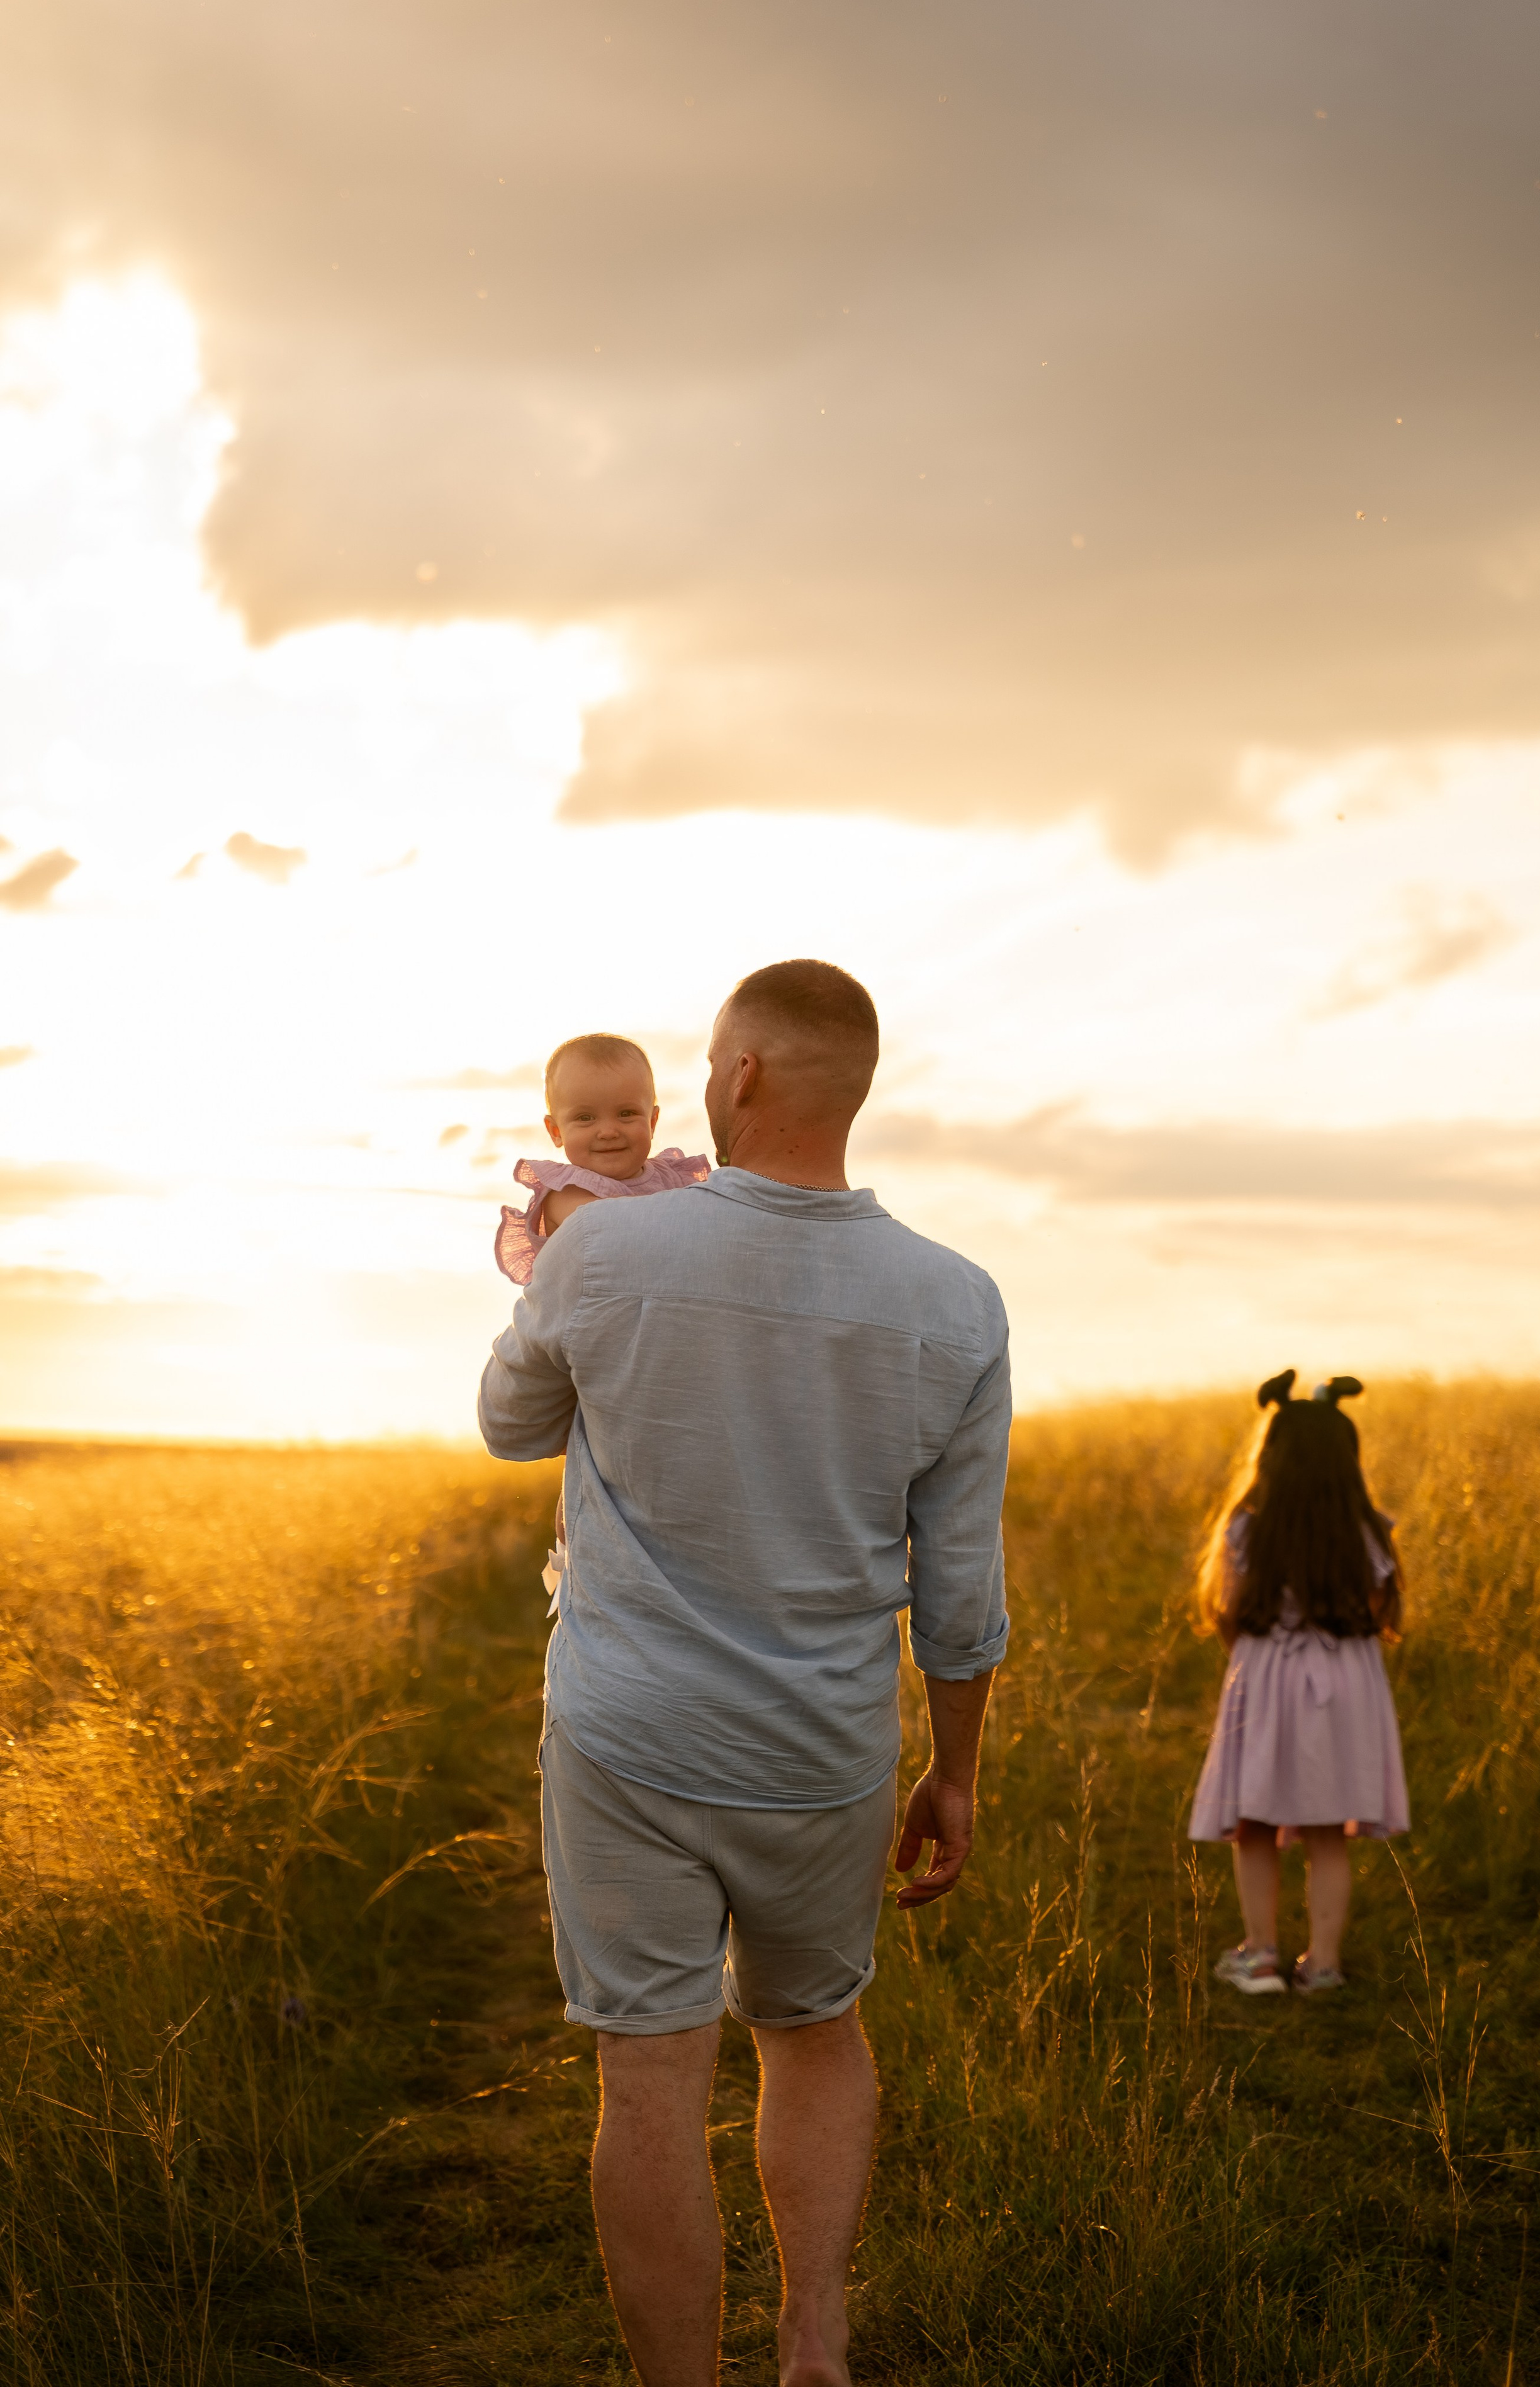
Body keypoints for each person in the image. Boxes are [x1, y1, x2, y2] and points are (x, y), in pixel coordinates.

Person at [478, 959, 1010, 2387]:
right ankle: (813, 2338)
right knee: (814, 2030)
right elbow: (960, 1594)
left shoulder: (602, 1250)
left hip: (627, 1736)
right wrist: (954, 1771)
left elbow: (510, 1424)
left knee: (650, 2074)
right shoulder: (957, 1303)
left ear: (743, 1074)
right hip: (821, 1753)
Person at [1188, 1369, 1408, 1997]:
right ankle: (1324, 1966)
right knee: (1327, 1828)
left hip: (1265, 1677)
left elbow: (1230, 1614)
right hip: (1346, 1682)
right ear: (1347, 1460)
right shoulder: (1368, 1531)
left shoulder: (1248, 1528)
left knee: (1255, 1821)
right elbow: (1377, 1612)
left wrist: (1261, 1658)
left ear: (1271, 1457)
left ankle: (1260, 1956)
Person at [493, 1031, 711, 1286]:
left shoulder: (673, 1177)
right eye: (585, 1118)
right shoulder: (566, 1191)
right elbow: (607, 1225)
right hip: (589, 1310)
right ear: (556, 1131)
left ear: (652, 1122)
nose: (608, 1132)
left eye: (626, 1113)